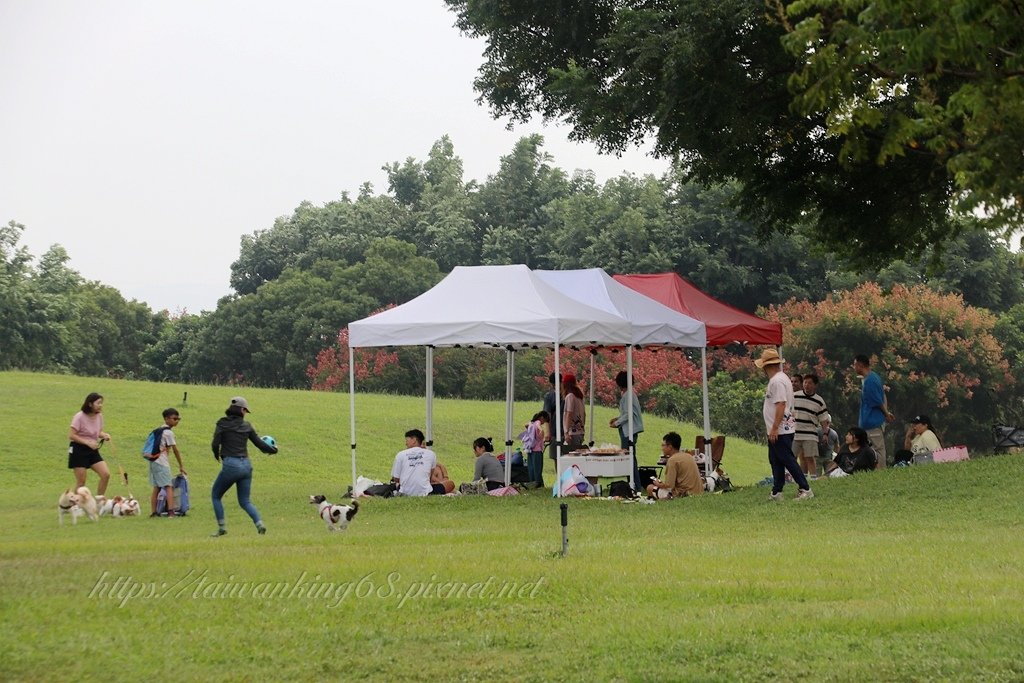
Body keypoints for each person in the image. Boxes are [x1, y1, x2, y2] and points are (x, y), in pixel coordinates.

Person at [210, 396, 277, 536]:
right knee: (245, 501)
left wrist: (217, 455)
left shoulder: (222, 423)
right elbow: (260, 444)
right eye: (246, 410)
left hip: (230, 465)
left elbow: (215, 443)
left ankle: (222, 528)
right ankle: (260, 524)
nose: (246, 413)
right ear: (242, 410)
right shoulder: (247, 426)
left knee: (216, 495)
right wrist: (273, 450)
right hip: (246, 465)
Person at [755, 349, 813, 501]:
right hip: (779, 428)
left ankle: (805, 488)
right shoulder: (781, 378)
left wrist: (774, 427)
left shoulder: (777, 381)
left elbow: (781, 404)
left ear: (766, 366)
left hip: (781, 429)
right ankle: (777, 491)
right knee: (775, 459)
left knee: (787, 459)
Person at [68, 392, 112, 496]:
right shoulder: (79, 417)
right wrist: (87, 442)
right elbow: (72, 435)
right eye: (98, 403)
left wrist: (104, 435)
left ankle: (99, 500)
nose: (101, 405)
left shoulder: (99, 416)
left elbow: (98, 432)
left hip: (92, 450)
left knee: (105, 474)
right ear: (90, 404)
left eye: (101, 403)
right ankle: (75, 505)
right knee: (81, 482)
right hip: (78, 450)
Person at [854, 354, 894, 468]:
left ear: (860, 365)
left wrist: (886, 414)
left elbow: (878, 401)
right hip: (868, 424)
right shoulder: (869, 379)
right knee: (867, 451)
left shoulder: (870, 381)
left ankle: (880, 472)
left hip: (873, 423)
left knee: (877, 451)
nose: (854, 367)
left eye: (855, 365)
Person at [608, 370, 644, 490]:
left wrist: (617, 423)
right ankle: (633, 484)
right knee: (630, 457)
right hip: (629, 429)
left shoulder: (628, 395)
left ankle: (634, 485)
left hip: (629, 431)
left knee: (629, 458)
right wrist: (618, 418)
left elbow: (628, 414)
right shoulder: (630, 395)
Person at [149, 408, 187, 517]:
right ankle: (171, 512)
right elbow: (175, 450)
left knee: (156, 487)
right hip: (161, 463)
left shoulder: (158, 430)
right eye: (174, 418)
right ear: (166, 419)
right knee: (168, 486)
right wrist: (181, 466)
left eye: (178, 419)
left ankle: (154, 512)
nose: (177, 421)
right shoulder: (168, 433)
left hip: (153, 462)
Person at [792, 373, 831, 477]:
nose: (806, 385)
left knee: (810, 457)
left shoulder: (819, 401)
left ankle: (813, 478)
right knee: (792, 457)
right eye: (805, 382)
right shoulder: (795, 396)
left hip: (810, 434)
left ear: (815, 385)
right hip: (795, 433)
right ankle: (791, 477)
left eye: (810, 383)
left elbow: (823, 420)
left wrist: (825, 434)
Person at [646, 432, 703, 500]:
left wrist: (658, 484)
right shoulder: (688, 456)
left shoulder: (672, 460)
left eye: (663, 445)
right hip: (698, 492)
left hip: (683, 494)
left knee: (650, 488)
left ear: (670, 447)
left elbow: (669, 485)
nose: (662, 448)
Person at [390, 428, 437, 497]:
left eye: (407, 440)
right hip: (426, 491)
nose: (405, 443)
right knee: (449, 484)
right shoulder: (431, 454)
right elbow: (430, 475)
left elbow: (396, 478)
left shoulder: (401, 454)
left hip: (405, 492)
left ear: (414, 440)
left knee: (397, 485)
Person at [521, 411, 548, 487]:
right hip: (537, 450)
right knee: (538, 468)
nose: (543, 423)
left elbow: (526, 425)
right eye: (544, 421)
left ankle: (532, 482)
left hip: (530, 449)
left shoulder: (532, 423)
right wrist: (541, 431)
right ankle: (538, 483)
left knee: (531, 467)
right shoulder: (538, 422)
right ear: (542, 418)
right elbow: (539, 426)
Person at [562, 373, 586, 451]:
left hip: (572, 433)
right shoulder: (580, 397)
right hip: (580, 431)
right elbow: (584, 414)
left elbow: (569, 414)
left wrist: (566, 432)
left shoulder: (570, 396)